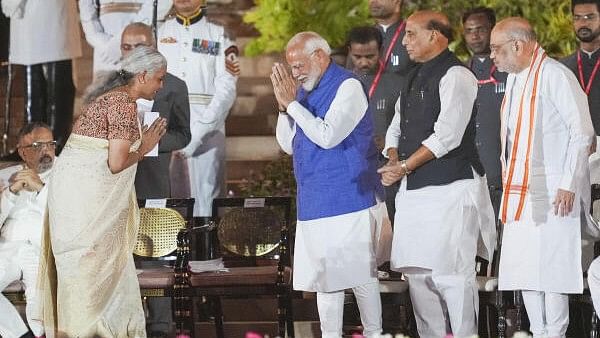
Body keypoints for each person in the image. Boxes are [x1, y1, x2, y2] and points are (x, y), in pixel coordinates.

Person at [377, 10, 497, 338]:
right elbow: (396, 127)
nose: (404, 42)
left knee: (452, 276)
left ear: (435, 36)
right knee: (417, 277)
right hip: (414, 192)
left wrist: (402, 166)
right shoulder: (413, 75)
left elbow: (448, 135)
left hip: (453, 187)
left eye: (412, 34)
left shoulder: (457, 75)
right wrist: (392, 158)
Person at [35, 46, 168, 337]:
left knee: (89, 283)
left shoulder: (111, 99)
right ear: (142, 75)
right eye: (159, 78)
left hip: (76, 209)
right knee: (92, 285)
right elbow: (116, 162)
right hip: (86, 215)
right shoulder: (122, 104)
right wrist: (144, 148)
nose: (161, 85)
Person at [272, 31, 391, 338]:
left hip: (350, 194)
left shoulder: (348, 86)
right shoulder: (299, 91)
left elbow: (328, 136)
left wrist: (292, 106)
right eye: (291, 66)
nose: (295, 73)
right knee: (326, 279)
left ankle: (374, 334)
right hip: (314, 197)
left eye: (299, 65)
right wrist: (286, 108)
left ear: (320, 56)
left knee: (360, 274)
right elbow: (287, 144)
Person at [490, 17, 594, 338]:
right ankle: (537, 330)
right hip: (520, 190)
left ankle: (556, 333)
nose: (492, 56)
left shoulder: (555, 76)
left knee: (552, 269)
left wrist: (568, 183)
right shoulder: (518, 79)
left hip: (553, 190)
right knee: (525, 270)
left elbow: (582, 132)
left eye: (497, 49)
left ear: (518, 45)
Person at [119, 22, 191, 338]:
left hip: (152, 181)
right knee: (119, 259)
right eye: (126, 47)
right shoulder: (108, 86)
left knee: (154, 254)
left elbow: (183, 134)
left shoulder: (173, 86)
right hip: (114, 183)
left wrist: (151, 143)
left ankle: (161, 327)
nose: (132, 53)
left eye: (140, 46)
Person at [158, 0, 238, 217]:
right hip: (164, 128)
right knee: (164, 202)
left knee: (207, 200)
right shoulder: (158, 32)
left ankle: (207, 251)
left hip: (208, 128)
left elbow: (227, 88)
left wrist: (201, 131)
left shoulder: (219, 34)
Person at [1, 0, 82, 151]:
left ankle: (56, 146)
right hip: (26, 20)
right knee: (33, 93)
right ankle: (32, 146)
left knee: (57, 91)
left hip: (53, 14)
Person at [0, 122, 55, 338]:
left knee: (40, 303)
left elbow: (68, 216)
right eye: (38, 146)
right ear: (23, 152)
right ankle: (20, 335)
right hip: (9, 247)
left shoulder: (67, 173)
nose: (46, 151)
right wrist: (11, 193)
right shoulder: (7, 175)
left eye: (50, 144)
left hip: (44, 248)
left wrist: (41, 189)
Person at [366, 0, 416, 224]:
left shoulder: (412, 34)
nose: (373, 2)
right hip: (369, 141)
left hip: (402, 141)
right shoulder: (363, 37)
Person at [463, 7, 508, 218]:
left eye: (480, 29)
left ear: (493, 30)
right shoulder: (459, 73)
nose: (474, 35)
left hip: (502, 171)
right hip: (469, 175)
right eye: (469, 31)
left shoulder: (509, 71)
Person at [79, 0, 172, 74]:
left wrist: (123, 42)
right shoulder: (105, 47)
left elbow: (161, 4)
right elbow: (86, 8)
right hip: (105, 50)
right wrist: (99, 41)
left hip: (142, 41)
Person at [562, 0, 600, 135]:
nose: (583, 23)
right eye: (577, 18)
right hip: (575, 150)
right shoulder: (562, 68)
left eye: (589, 17)